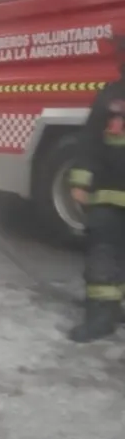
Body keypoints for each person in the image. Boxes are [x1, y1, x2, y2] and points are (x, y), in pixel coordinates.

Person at [67, 54, 125, 342]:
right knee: (103, 253)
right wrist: (79, 182)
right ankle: (102, 315)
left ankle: (112, 309)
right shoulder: (111, 96)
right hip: (108, 196)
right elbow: (89, 141)